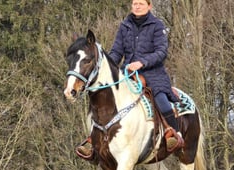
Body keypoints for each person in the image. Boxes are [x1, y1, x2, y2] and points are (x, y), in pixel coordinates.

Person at [76, 0, 184, 159]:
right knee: (101, 97)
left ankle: (172, 133)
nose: (137, 6)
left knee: (161, 98)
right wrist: (105, 67)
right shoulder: (124, 26)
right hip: (126, 73)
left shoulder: (157, 25)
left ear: (149, 6)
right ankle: (93, 139)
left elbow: (162, 52)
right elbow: (116, 52)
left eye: (141, 3)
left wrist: (142, 62)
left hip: (153, 73)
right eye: (135, 3)